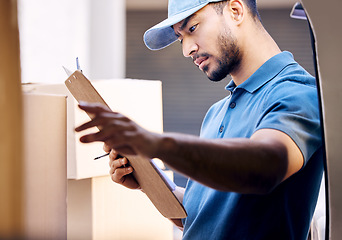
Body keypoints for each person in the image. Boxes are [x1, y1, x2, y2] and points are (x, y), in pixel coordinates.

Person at [75, 0, 324, 239]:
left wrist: (154, 143)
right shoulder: (216, 112)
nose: (186, 49)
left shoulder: (298, 92)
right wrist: (147, 179)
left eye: (192, 28)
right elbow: (202, 215)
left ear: (236, 11)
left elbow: (267, 165)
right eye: (181, 38)